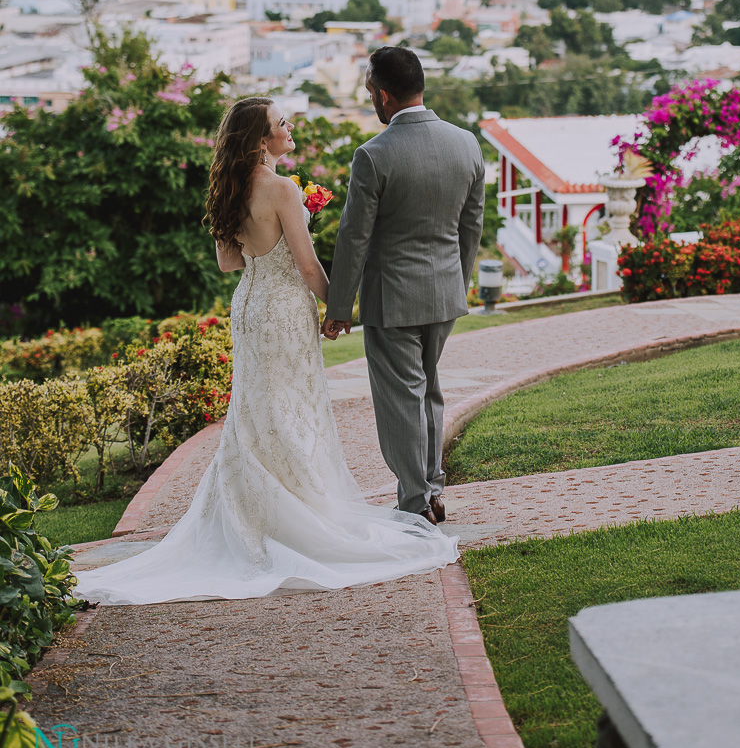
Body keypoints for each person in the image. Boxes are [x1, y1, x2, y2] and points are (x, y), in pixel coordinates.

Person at [73, 96, 458, 606]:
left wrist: (265, 246)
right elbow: (306, 265)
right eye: (281, 123)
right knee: (292, 408)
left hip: (249, 308)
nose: (290, 125)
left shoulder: (231, 190)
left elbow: (229, 262)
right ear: (261, 140)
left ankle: (253, 513)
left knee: (256, 412)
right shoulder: (282, 190)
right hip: (284, 311)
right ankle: (299, 515)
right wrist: (340, 308)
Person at [323, 47, 485, 525]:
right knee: (429, 390)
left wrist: (339, 306)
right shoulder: (467, 144)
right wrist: (457, 281)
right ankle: (430, 487)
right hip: (444, 293)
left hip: (392, 298)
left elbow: (354, 237)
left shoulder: (374, 156)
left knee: (401, 401)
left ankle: (416, 501)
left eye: (371, 90)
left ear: (384, 94)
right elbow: (470, 228)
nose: (371, 98)